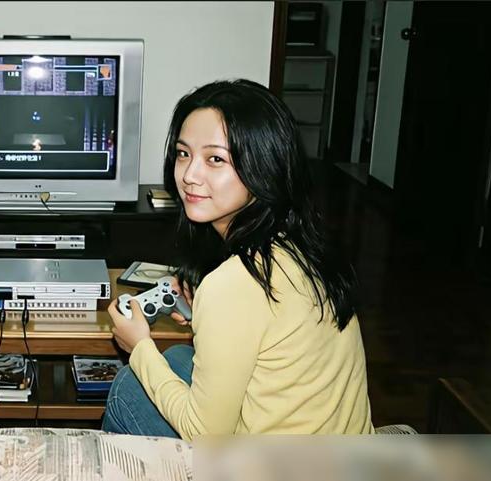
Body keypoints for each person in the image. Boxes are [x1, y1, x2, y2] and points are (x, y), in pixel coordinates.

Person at [103, 79, 373, 437]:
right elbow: (268, 333)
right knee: (179, 358)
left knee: (127, 387)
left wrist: (139, 346)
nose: (189, 175)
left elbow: (203, 434)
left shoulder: (232, 285)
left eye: (215, 159)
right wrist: (204, 315)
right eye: (183, 154)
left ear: (264, 165)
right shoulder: (301, 247)